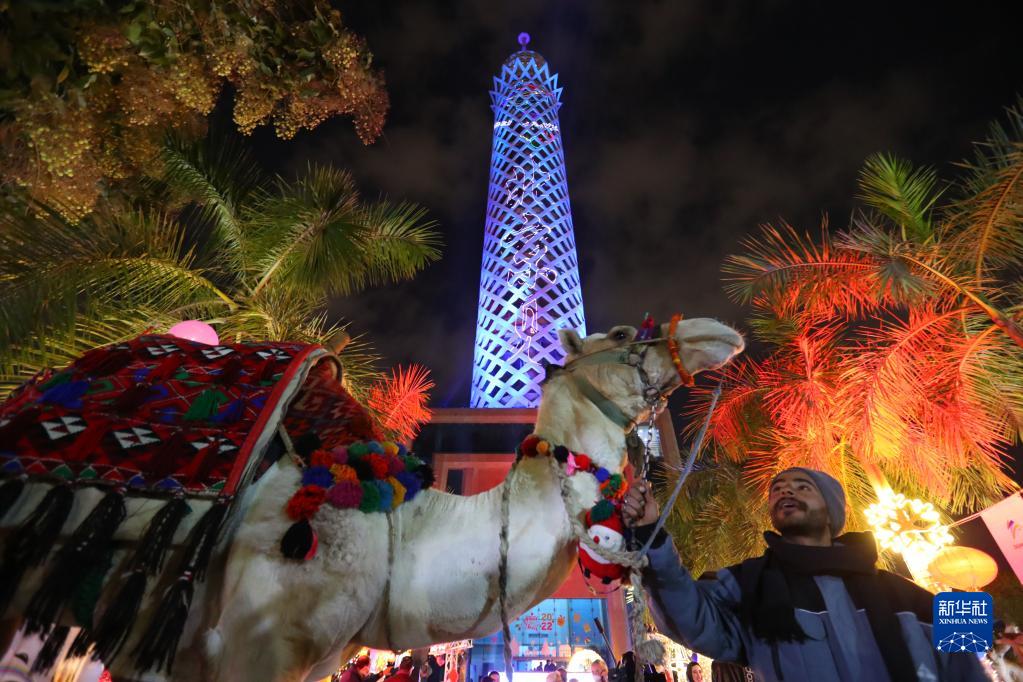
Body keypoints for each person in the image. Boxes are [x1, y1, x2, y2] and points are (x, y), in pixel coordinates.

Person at [622, 467, 988, 681]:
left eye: (802, 486)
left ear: (832, 510)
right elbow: (689, 616)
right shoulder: (748, 584)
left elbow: (974, 667)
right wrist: (650, 535)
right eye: (777, 489)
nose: (785, 491)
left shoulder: (911, 595)